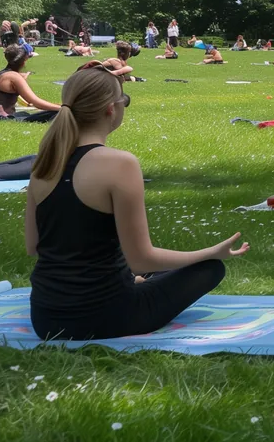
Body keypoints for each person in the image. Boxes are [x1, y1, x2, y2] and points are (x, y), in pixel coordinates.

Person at [23, 66, 248, 339]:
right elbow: (141, 259)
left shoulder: (45, 165)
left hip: (45, 318)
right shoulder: (120, 164)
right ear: (111, 109)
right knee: (208, 269)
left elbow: (33, 246)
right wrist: (210, 252)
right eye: (124, 100)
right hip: (107, 316)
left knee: (155, 274)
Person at [0, 45, 60, 122]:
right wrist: (62, 108)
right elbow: (36, 102)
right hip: (2, 119)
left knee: (24, 113)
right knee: (55, 113)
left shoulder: (3, 74)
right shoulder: (14, 77)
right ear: (24, 61)